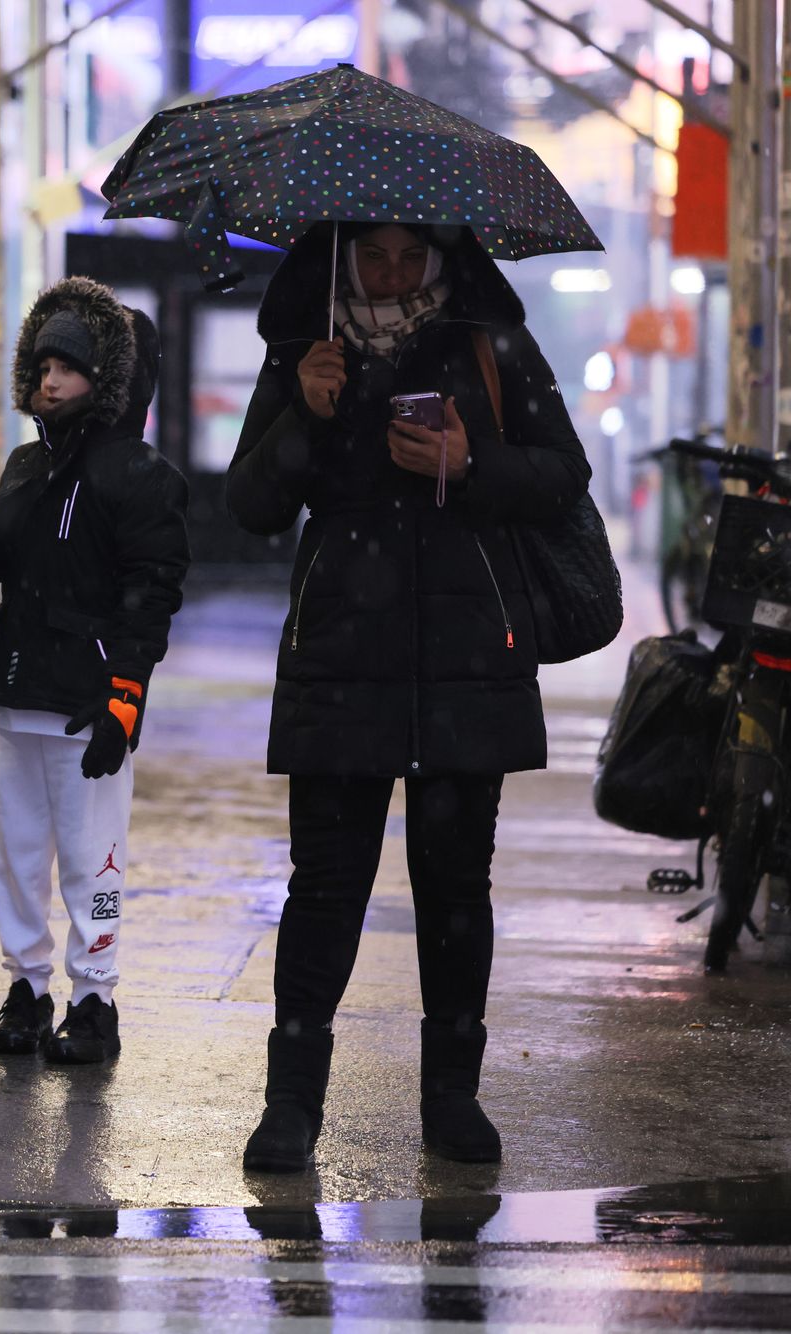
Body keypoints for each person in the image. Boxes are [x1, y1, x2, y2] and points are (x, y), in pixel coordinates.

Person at [225, 221, 592, 1170]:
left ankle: (453, 1098)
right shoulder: (305, 349)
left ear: (440, 257)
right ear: (344, 257)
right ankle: (292, 1102)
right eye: (373, 256)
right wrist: (305, 413)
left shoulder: (488, 341)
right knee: (324, 887)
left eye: (409, 256)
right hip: (341, 648)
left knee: (457, 887)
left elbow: (564, 475)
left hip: (470, 651)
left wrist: (469, 465)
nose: (390, 272)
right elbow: (252, 505)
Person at [0, 278, 189, 1064]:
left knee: (92, 859)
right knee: (14, 857)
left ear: (103, 379)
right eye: (42, 363)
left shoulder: (140, 476)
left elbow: (151, 598)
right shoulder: (27, 467)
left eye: (69, 367)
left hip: (87, 709)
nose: (49, 378)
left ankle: (95, 998)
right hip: (21, 698)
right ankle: (26, 990)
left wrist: (124, 700)